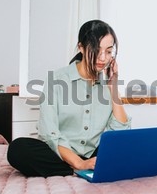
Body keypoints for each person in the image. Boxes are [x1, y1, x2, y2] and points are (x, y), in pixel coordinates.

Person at [7, 20, 131, 177]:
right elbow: (49, 133)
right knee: (18, 149)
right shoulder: (56, 80)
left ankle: (84, 168)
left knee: (131, 146)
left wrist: (113, 88)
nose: (102, 58)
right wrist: (79, 163)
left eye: (108, 51)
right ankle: (76, 169)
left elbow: (120, 134)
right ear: (81, 47)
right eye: (96, 49)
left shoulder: (108, 84)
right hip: (60, 154)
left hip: (93, 155)